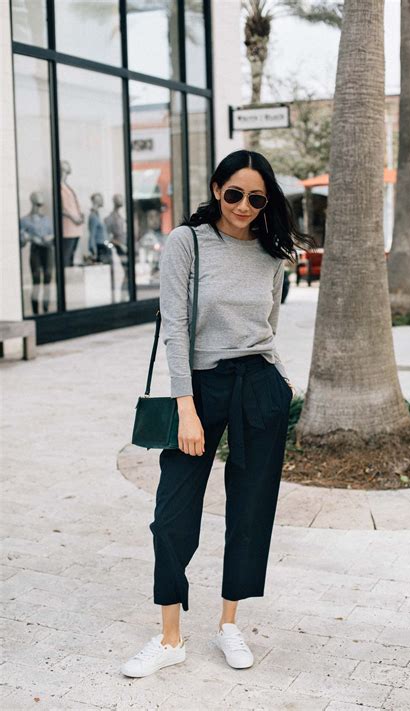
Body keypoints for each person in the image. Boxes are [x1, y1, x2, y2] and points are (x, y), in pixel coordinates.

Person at [121, 150, 316, 678]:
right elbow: (176, 327)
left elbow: (269, 322)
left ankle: (229, 623)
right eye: (234, 194)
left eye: (257, 197)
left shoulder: (273, 253)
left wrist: (281, 378)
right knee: (171, 516)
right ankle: (169, 638)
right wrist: (186, 407)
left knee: (251, 509)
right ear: (215, 189)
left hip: (259, 383)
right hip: (200, 388)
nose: (244, 207)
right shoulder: (187, 243)